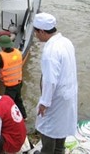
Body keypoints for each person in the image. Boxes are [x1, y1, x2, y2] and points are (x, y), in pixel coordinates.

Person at [33, 12, 78, 154]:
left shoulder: (50, 51)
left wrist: (44, 103)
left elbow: (50, 80)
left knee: (48, 129)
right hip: (68, 94)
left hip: (55, 97)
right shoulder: (65, 42)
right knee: (61, 128)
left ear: (41, 31)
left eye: (36, 32)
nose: (35, 35)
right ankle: (59, 151)